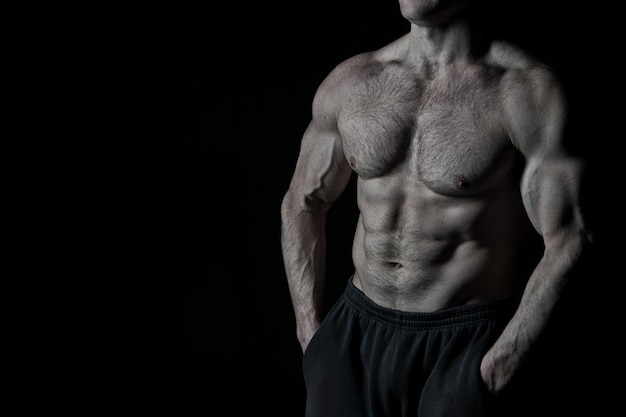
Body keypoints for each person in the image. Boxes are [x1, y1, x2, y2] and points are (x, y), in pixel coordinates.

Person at [280, 0, 592, 415]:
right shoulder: (352, 82)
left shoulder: (525, 93)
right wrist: (310, 331)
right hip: (352, 334)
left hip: (461, 346)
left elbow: (571, 239)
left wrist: (498, 365)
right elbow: (303, 201)